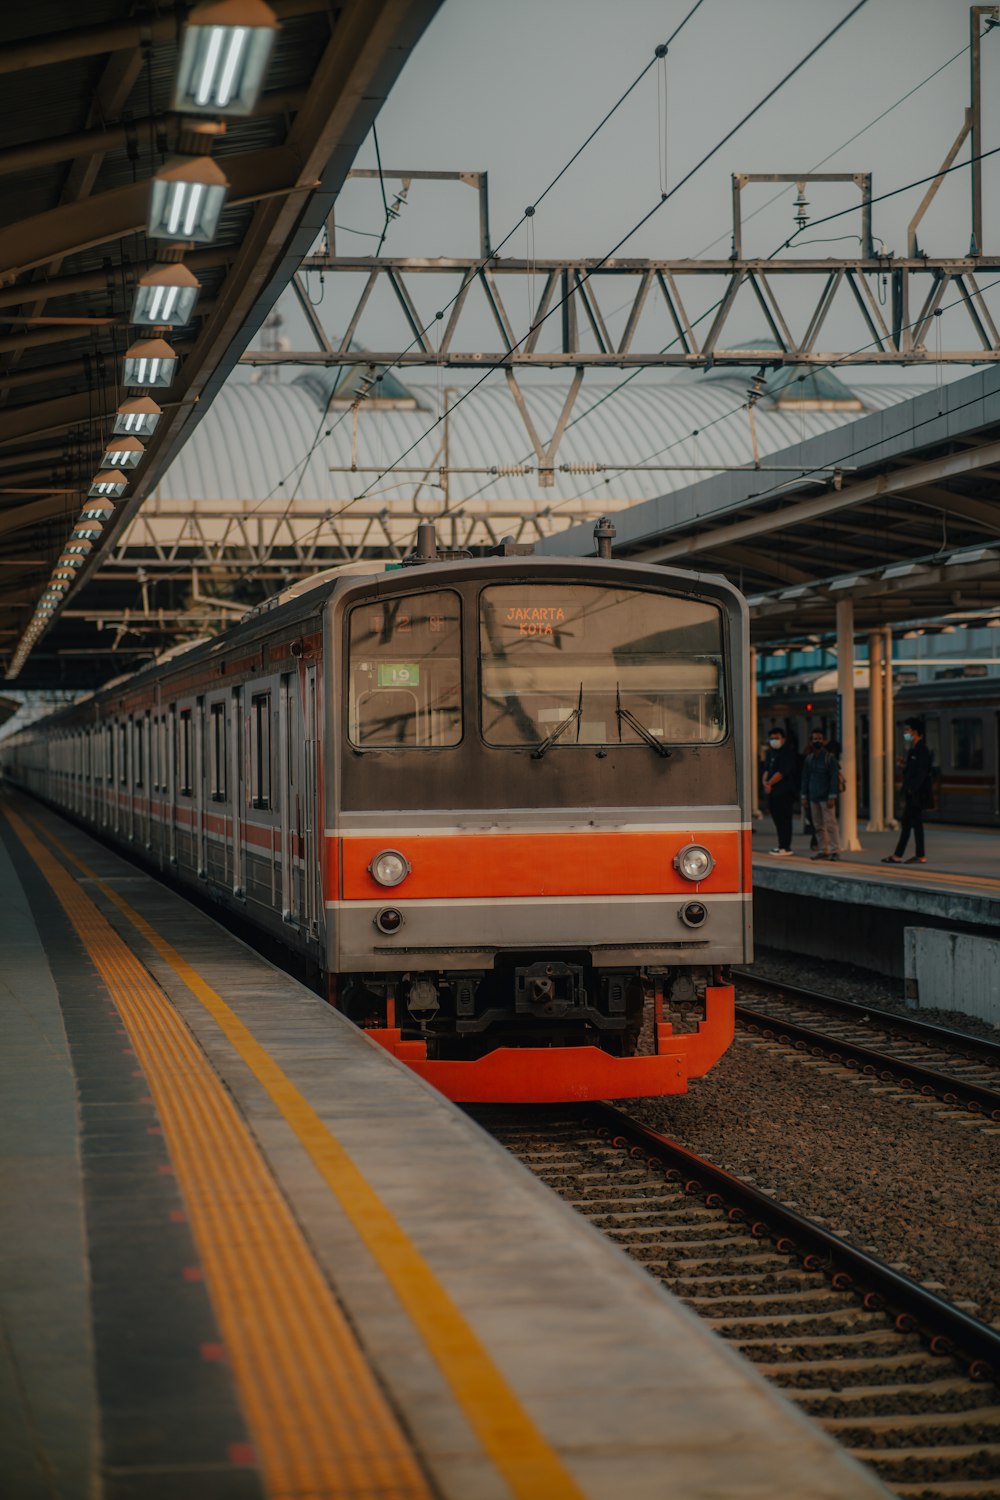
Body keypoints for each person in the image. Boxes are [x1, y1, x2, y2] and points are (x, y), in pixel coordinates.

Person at [882, 716, 932, 865]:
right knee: (914, 824)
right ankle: (917, 855)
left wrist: (912, 789)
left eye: (907, 730)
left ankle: (900, 855)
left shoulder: (921, 750)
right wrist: (905, 766)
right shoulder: (914, 750)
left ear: (915, 732)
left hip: (915, 794)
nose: (906, 733)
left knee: (909, 824)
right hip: (913, 792)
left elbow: (922, 772)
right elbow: (915, 771)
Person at [800, 727, 841, 861]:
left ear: (824, 741)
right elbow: (805, 777)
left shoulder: (829, 759)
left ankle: (835, 850)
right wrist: (804, 796)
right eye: (814, 739)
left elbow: (834, 778)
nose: (817, 741)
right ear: (811, 741)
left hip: (826, 797)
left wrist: (832, 796)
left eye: (819, 739)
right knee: (818, 825)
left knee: (830, 824)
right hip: (813, 796)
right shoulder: (809, 759)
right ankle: (824, 849)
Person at [762, 726, 797, 856]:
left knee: (784, 820)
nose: (774, 741)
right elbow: (766, 769)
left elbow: (782, 772)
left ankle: (785, 846)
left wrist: (769, 783)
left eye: (777, 738)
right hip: (773, 792)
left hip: (784, 792)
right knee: (777, 819)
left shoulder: (787, 753)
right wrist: (765, 782)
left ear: (783, 739)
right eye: (771, 738)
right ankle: (781, 845)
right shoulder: (771, 753)